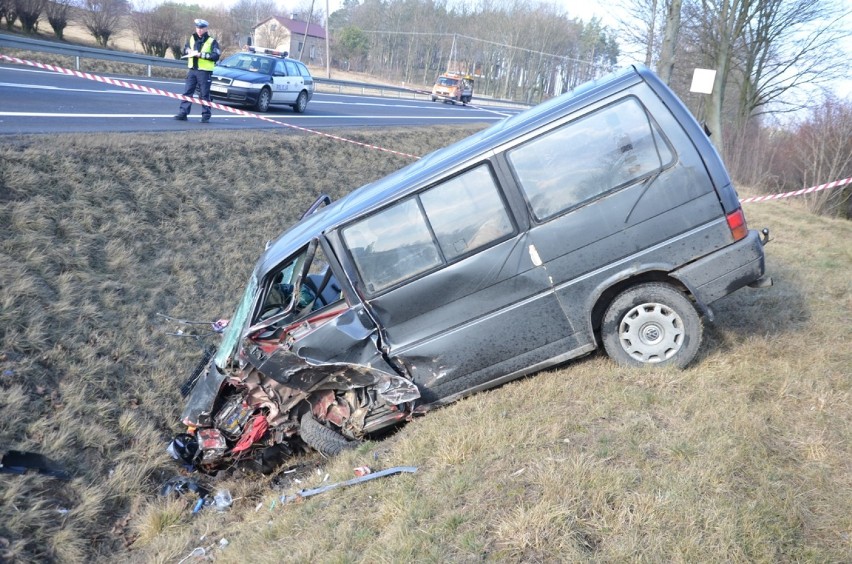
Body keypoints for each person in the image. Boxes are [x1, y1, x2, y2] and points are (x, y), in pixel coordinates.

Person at [173, 19, 221, 123]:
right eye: (198, 28)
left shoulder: (211, 41)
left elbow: (216, 55)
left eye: (202, 28)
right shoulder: (192, 38)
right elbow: (185, 48)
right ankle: (183, 113)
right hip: (192, 70)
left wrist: (201, 55)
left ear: (206, 29)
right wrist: (188, 51)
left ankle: (206, 115)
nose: (199, 30)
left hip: (204, 72)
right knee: (187, 92)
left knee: (204, 94)